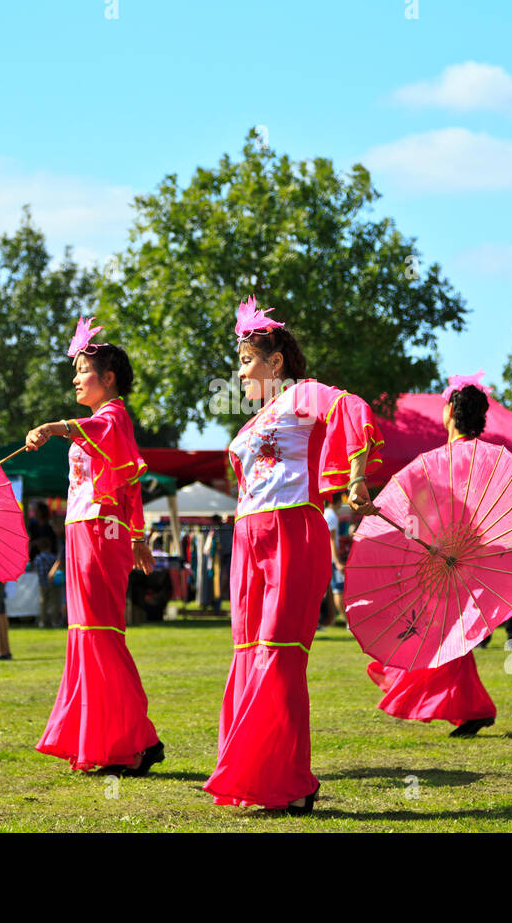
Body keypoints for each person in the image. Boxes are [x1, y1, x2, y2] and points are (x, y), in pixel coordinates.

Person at [203, 297, 383, 813]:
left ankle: (288, 779)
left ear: (275, 361)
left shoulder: (303, 395)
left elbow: (350, 408)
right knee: (248, 653)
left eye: (245, 361)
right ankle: (251, 775)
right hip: (247, 538)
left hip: (291, 532)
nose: (239, 374)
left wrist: (354, 476)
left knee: (280, 655)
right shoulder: (255, 420)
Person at [26, 316, 162, 775]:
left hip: (100, 534)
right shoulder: (99, 424)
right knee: (88, 634)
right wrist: (140, 537)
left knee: (100, 634)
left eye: (82, 371)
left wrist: (51, 427)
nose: (74, 378)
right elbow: (131, 487)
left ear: (107, 379)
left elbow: (121, 476)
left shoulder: (113, 417)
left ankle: (134, 740)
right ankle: (104, 741)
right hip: (83, 531)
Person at [365, 377, 504, 737]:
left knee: (440, 631)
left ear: (450, 412)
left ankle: (471, 707)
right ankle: (474, 708)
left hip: (445, 554)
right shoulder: (487, 459)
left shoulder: (445, 459)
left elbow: (427, 507)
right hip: (472, 554)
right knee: (446, 630)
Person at [324, 497, 346, 626]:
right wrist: (337, 561)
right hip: (332, 558)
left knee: (332, 591)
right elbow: (332, 540)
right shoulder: (331, 515)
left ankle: (330, 619)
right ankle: (346, 620)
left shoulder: (327, 513)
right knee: (338, 589)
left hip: (327, 557)